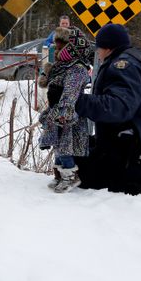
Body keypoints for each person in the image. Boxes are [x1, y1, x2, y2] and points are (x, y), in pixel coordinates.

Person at [73, 23, 141, 196]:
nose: (98, 54)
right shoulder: (138, 61)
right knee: (86, 149)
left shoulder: (124, 66)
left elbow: (119, 107)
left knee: (81, 173)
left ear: (108, 48)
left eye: (99, 49)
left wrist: (77, 101)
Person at [38, 26, 93, 192]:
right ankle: (60, 175)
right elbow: (50, 84)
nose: (57, 48)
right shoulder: (62, 66)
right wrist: (47, 73)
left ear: (72, 47)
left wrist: (63, 112)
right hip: (56, 110)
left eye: (61, 45)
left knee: (65, 146)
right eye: (57, 44)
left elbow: (70, 91)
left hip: (67, 113)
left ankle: (70, 177)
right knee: (58, 144)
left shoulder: (77, 68)